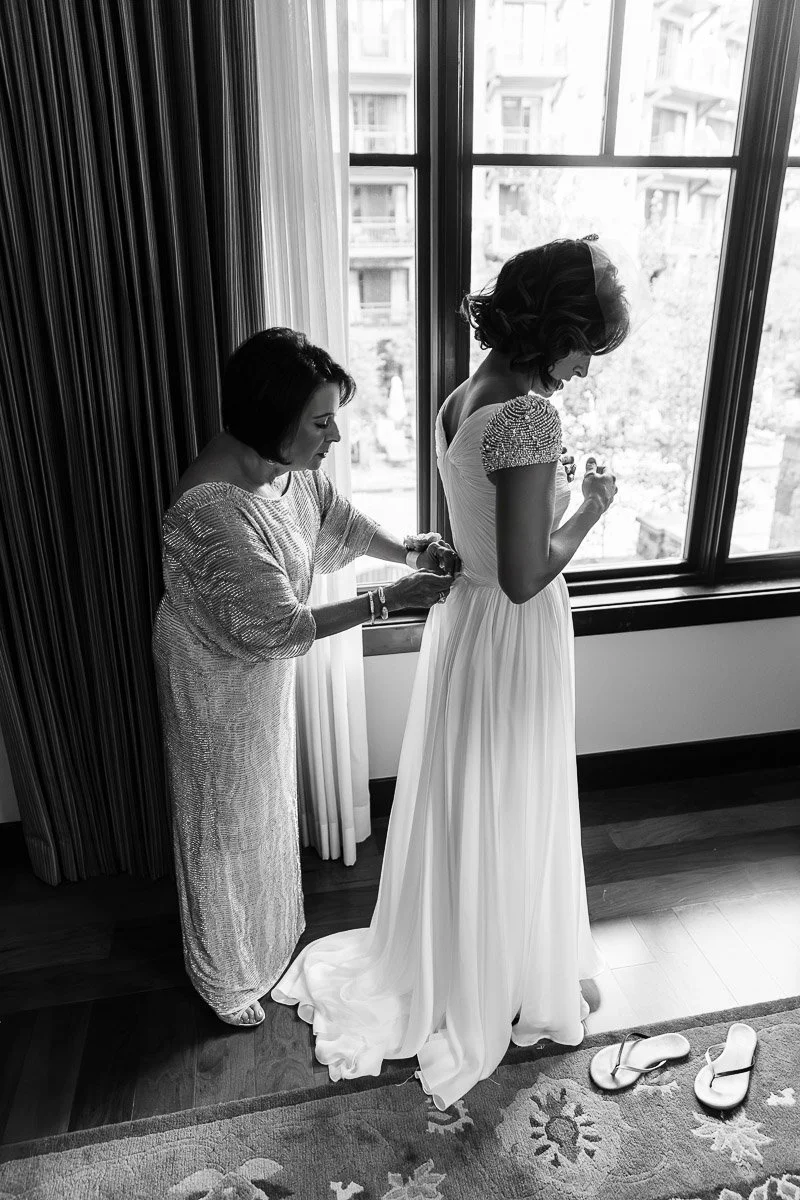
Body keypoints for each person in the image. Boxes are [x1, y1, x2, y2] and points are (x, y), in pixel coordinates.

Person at [271, 235, 632, 1110]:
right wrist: (590, 508)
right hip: (511, 627)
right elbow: (523, 572)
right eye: (587, 346)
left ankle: (468, 953)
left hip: (465, 625)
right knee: (511, 787)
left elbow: (479, 546)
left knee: (472, 791)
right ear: (556, 327)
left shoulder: (461, 396)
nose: (586, 367)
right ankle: (500, 970)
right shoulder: (531, 415)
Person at [152, 327, 458, 1027]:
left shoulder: (288, 467)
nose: (337, 437)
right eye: (321, 422)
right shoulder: (210, 509)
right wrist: (391, 599)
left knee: (264, 802)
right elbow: (283, 627)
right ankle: (225, 974)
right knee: (222, 820)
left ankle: (271, 935)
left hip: (260, 676)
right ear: (271, 418)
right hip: (210, 678)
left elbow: (336, 520)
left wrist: (408, 549)